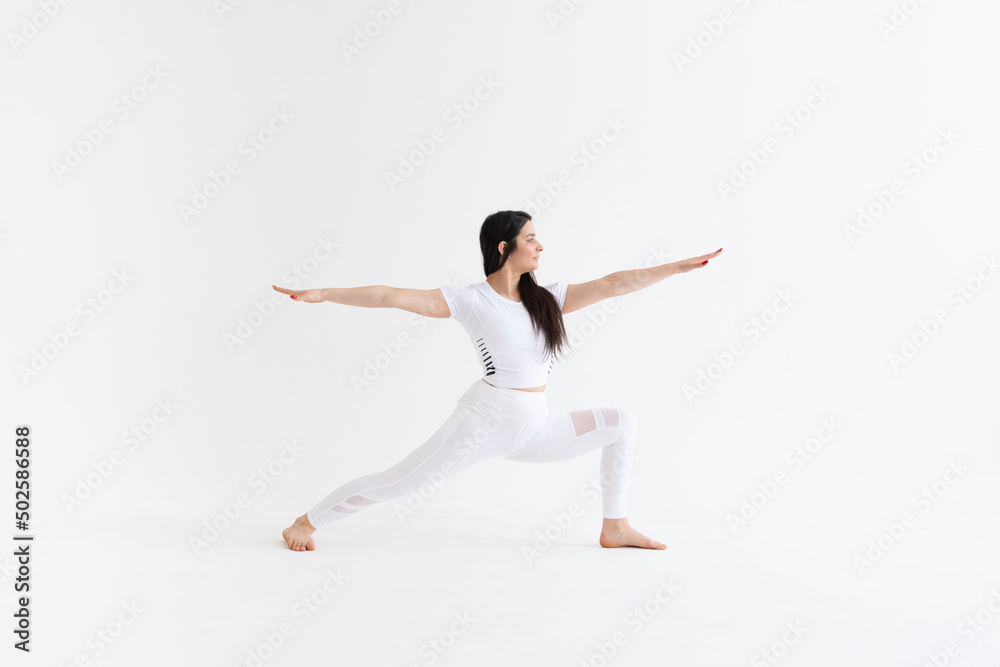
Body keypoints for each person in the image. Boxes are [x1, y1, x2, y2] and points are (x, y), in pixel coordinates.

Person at [274, 210, 722, 551]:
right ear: (505, 248)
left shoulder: (545, 300)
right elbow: (391, 296)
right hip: (483, 423)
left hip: (535, 427)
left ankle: (615, 526)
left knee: (621, 422)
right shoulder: (471, 300)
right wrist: (324, 294)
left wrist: (675, 268)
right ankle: (306, 521)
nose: (541, 246)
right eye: (531, 239)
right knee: (400, 482)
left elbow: (615, 283)